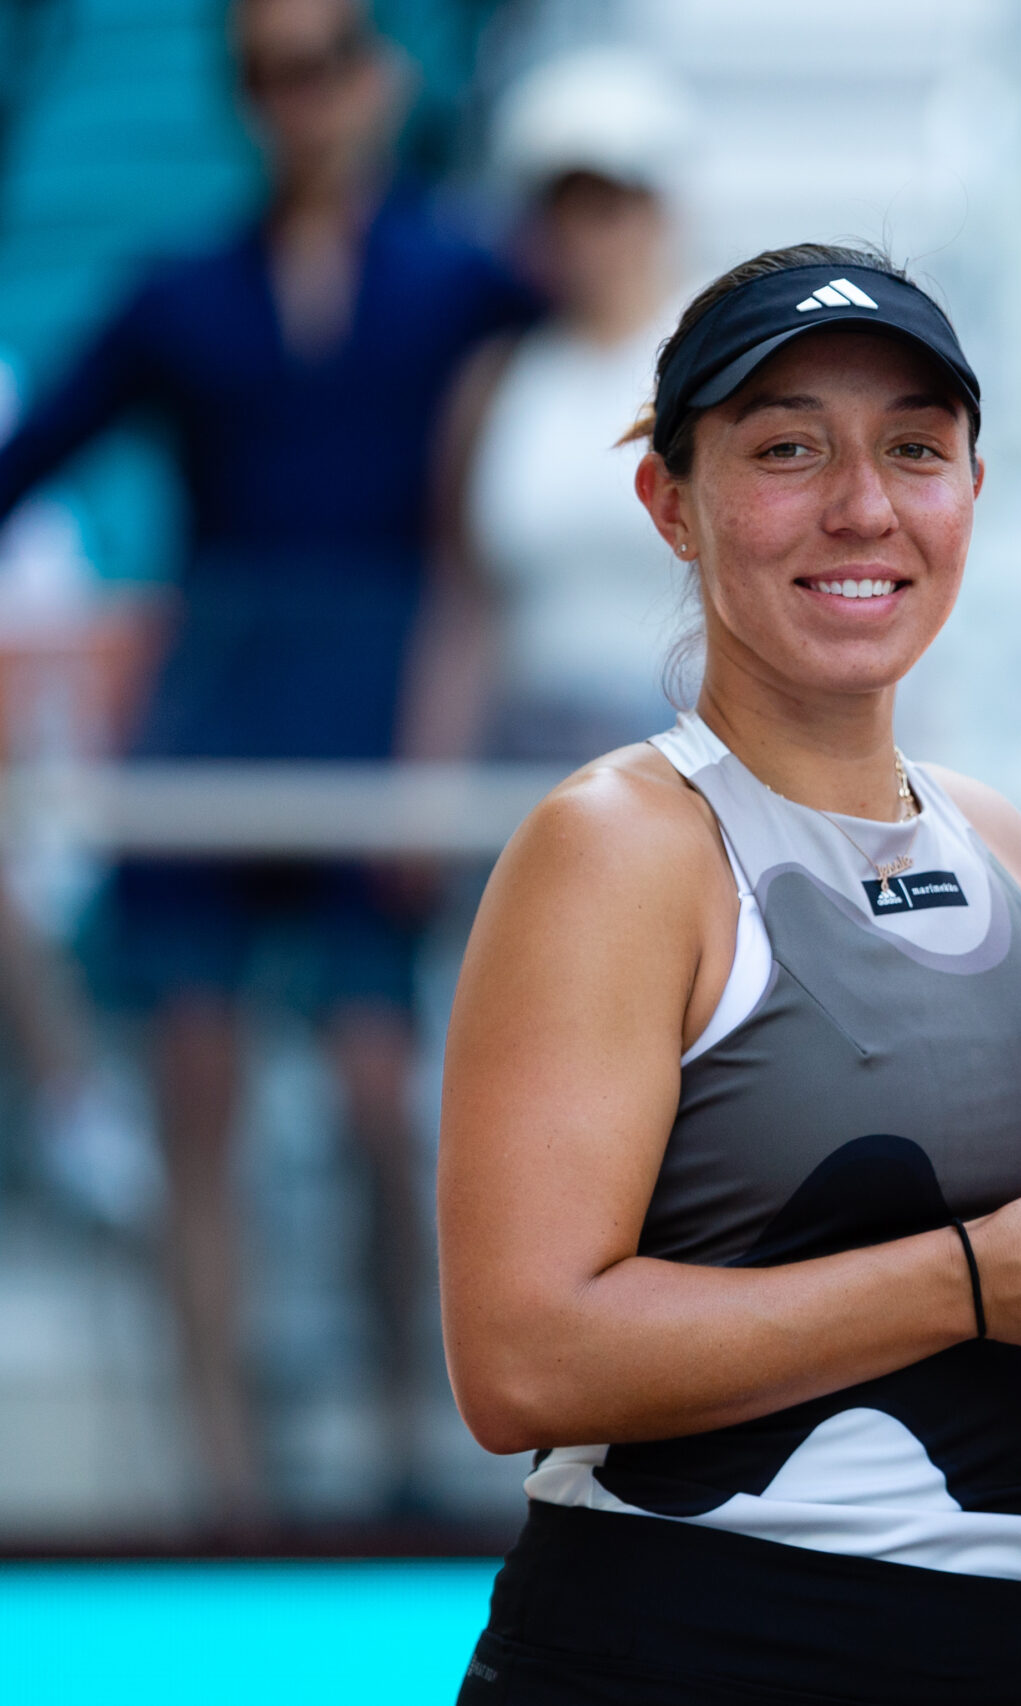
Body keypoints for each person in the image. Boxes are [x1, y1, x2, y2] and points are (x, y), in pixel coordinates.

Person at [439, 242, 1021, 1706]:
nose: (862, 505)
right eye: (788, 447)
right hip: (691, 1649)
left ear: (972, 497)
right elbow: (522, 1363)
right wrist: (975, 1281)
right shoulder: (618, 845)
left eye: (914, 449)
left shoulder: (996, 835)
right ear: (670, 503)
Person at [0, 0, 540, 1522]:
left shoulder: (458, 274)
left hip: (379, 715)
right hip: (216, 710)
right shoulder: (184, 292)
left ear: (379, 77)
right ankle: (219, 1474)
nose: (300, 99)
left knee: (380, 1087)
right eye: (265, 74)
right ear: (243, 98)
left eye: (324, 62)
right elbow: (29, 456)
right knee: (193, 1086)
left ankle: (394, 1441)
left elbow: (611, 359)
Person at [440, 48, 696, 764]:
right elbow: (466, 603)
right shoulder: (499, 381)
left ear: (657, 209)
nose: (586, 234)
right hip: (522, 742)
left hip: (684, 743)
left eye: (609, 205)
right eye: (564, 208)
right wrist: (432, 778)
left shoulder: (717, 366)